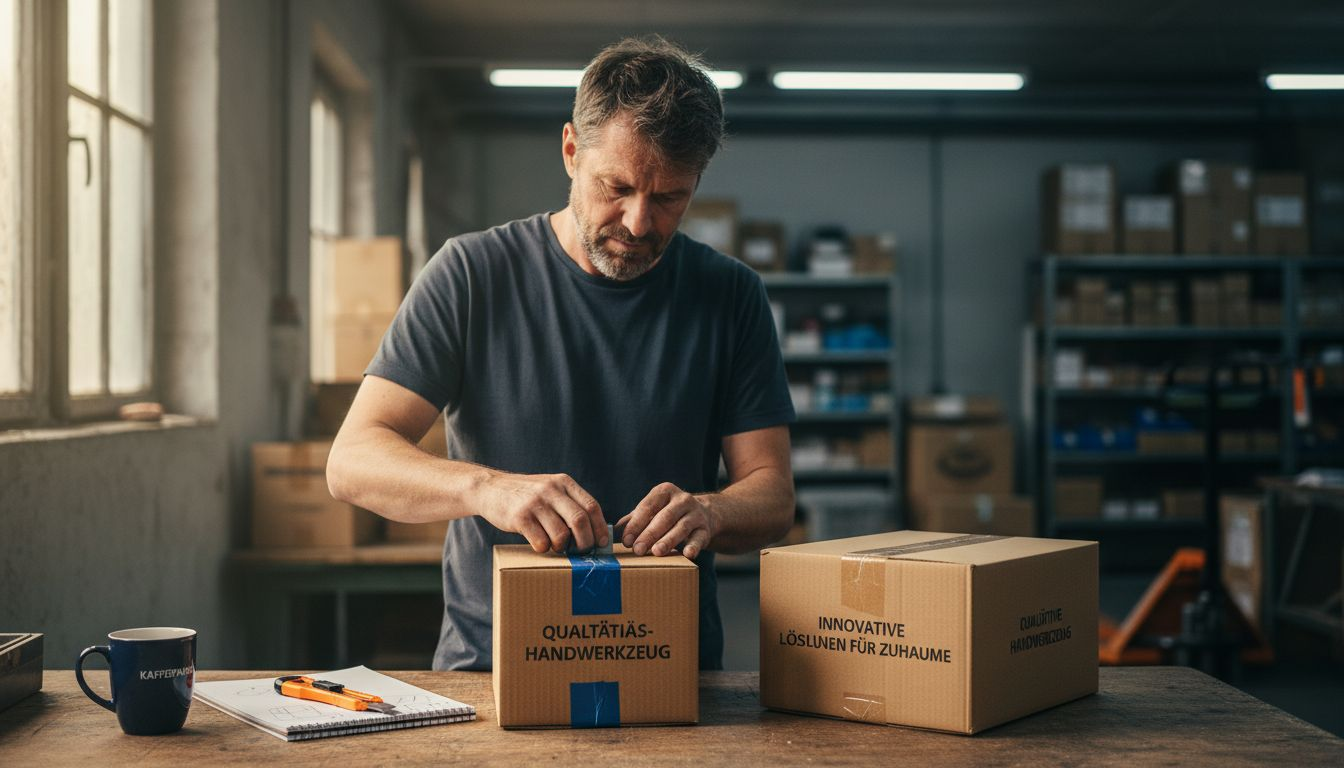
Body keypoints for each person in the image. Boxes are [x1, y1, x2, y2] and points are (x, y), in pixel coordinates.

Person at [327, 36, 796, 672]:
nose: (636, 222)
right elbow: (352, 461)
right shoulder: (470, 275)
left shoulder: (730, 295)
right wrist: (485, 488)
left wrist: (712, 510)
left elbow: (772, 495)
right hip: (493, 668)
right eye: (617, 187)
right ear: (572, 150)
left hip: (667, 664)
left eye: (668, 199)